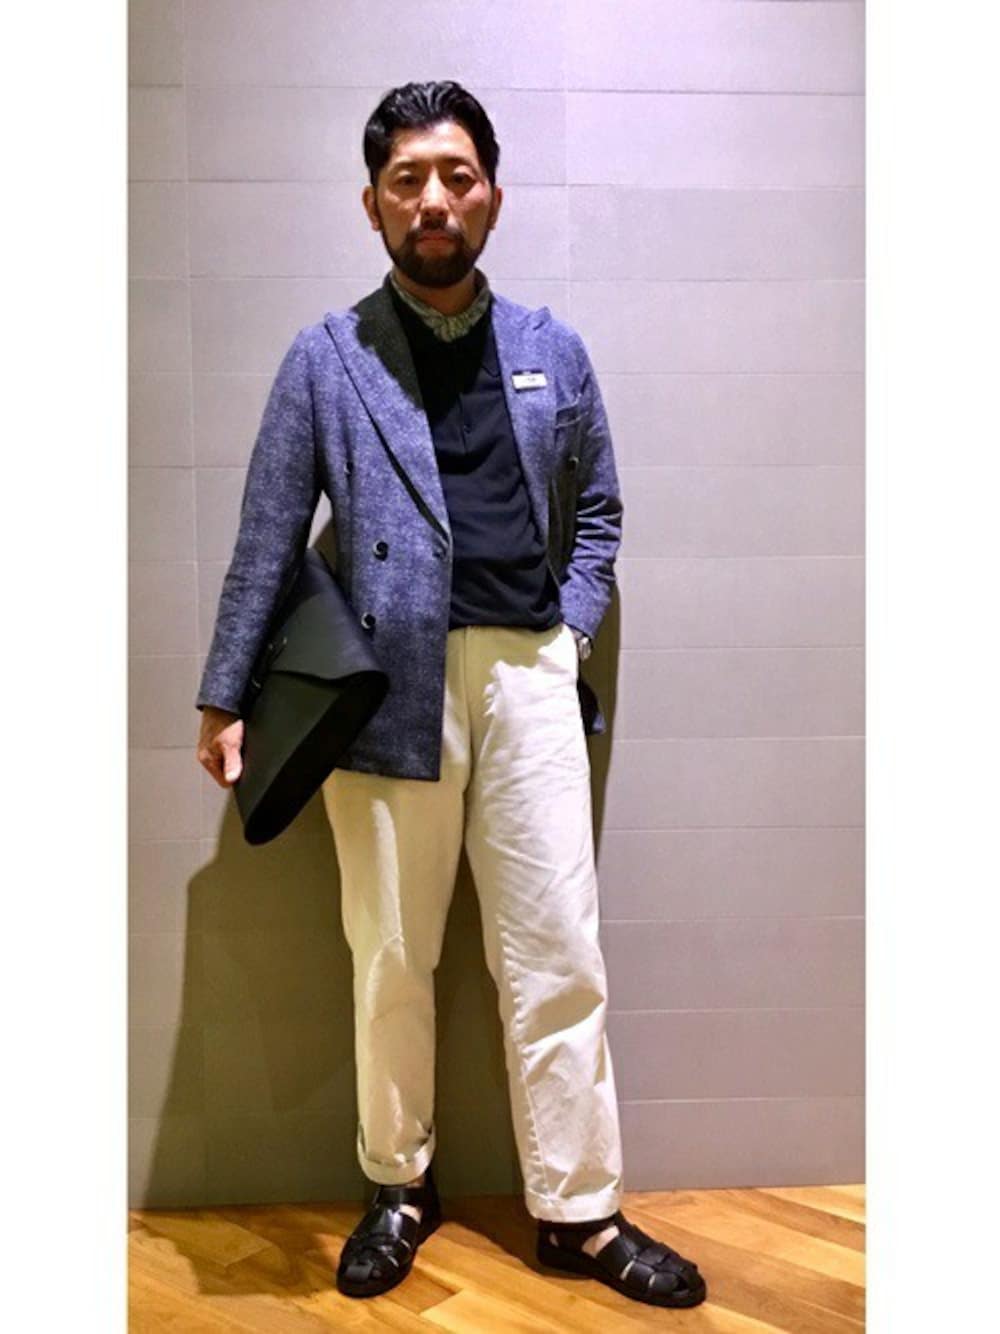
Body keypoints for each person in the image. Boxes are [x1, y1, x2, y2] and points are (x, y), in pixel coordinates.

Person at [195, 80, 706, 1311]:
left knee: (557, 949)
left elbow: (600, 509)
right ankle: (397, 1184)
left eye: (456, 176)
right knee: (388, 950)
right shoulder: (326, 358)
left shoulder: (551, 349)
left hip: (527, 674)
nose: (434, 199)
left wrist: (567, 631)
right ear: (372, 204)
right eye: (408, 179)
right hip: (385, 688)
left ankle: (578, 1211)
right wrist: (223, 694)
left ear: (492, 196)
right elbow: (268, 536)